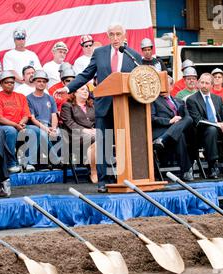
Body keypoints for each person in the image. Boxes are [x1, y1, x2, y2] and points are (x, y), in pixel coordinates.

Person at [54, 22, 142, 192]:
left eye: (118, 34)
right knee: (104, 143)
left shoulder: (133, 55)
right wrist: (67, 88)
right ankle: (104, 181)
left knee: (126, 142)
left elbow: (139, 78)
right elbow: (86, 74)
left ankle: (127, 177)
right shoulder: (100, 53)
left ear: (124, 35)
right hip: (105, 106)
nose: (115, 38)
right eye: (111, 34)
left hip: (126, 107)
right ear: (107, 36)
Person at [0, 71, 37, 172]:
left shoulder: (21, 96)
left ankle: (28, 162)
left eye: (12, 82)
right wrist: (16, 125)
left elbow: (26, 114)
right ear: (1, 84)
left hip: (20, 124)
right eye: (7, 82)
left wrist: (21, 123)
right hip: (5, 126)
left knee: (34, 129)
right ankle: (11, 163)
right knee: (11, 131)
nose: (10, 84)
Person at [151, 76, 194, 181]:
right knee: (180, 135)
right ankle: (186, 171)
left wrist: (177, 122)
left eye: (165, 85)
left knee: (188, 118)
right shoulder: (153, 100)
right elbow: (152, 118)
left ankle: (163, 139)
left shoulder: (179, 101)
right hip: (161, 130)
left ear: (171, 86)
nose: (162, 88)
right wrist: (170, 121)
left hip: (169, 136)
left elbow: (187, 119)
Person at [60, 84, 97, 183]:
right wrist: (85, 130)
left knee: (105, 136)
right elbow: (69, 123)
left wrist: (96, 129)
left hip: (92, 134)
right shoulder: (67, 106)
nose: (86, 91)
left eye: (87, 90)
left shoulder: (92, 106)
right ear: (75, 93)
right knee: (97, 139)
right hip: (74, 137)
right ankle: (93, 171)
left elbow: (97, 121)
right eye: (82, 89)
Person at [27, 70, 61, 166]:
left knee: (62, 134)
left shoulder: (50, 98)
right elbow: (32, 118)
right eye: (39, 81)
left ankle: (63, 162)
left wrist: (53, 129)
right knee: (43, 134)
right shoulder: (28, 98)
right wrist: (46, 129)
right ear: (34, 82)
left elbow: (54, 115)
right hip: (38, 126)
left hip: (50, 126)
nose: (41, 83)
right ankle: (55, 160)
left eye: (44, 81)